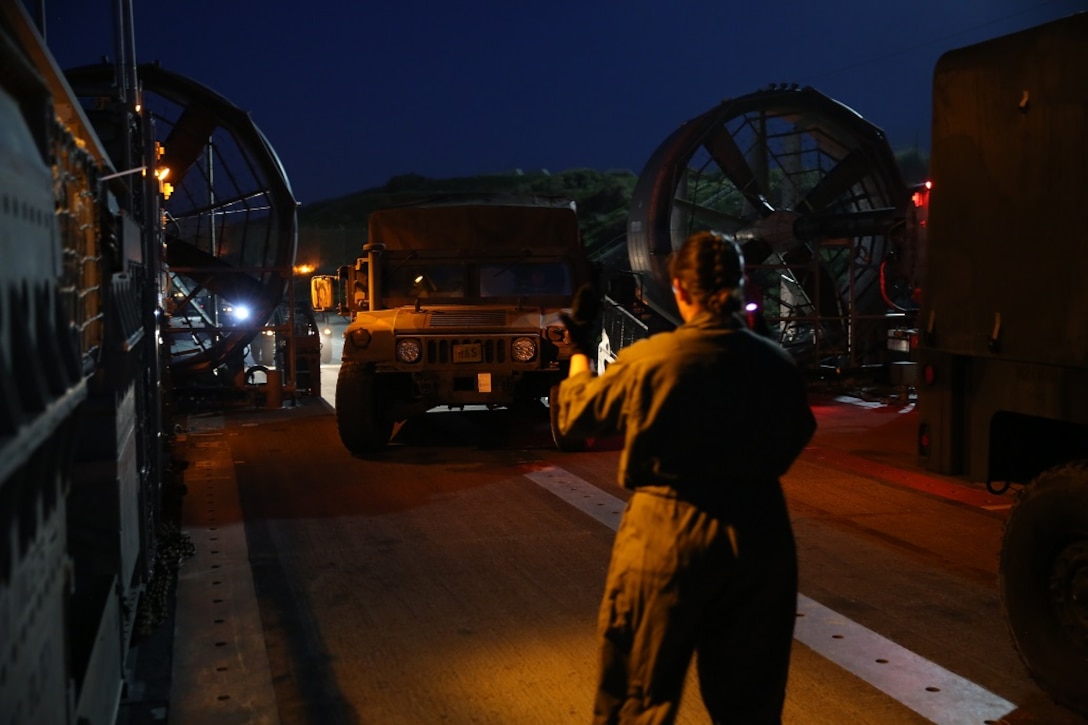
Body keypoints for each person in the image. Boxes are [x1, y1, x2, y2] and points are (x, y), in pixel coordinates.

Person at [554, 230, 816, 724]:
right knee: (751, 705)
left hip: (666, 532)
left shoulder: (651, 361)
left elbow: (576, 419)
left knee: (638, 696)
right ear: (741, 284)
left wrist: (579, 349)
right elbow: (797, 434)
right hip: (759, 531)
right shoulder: (776, 365)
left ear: (678, 288)